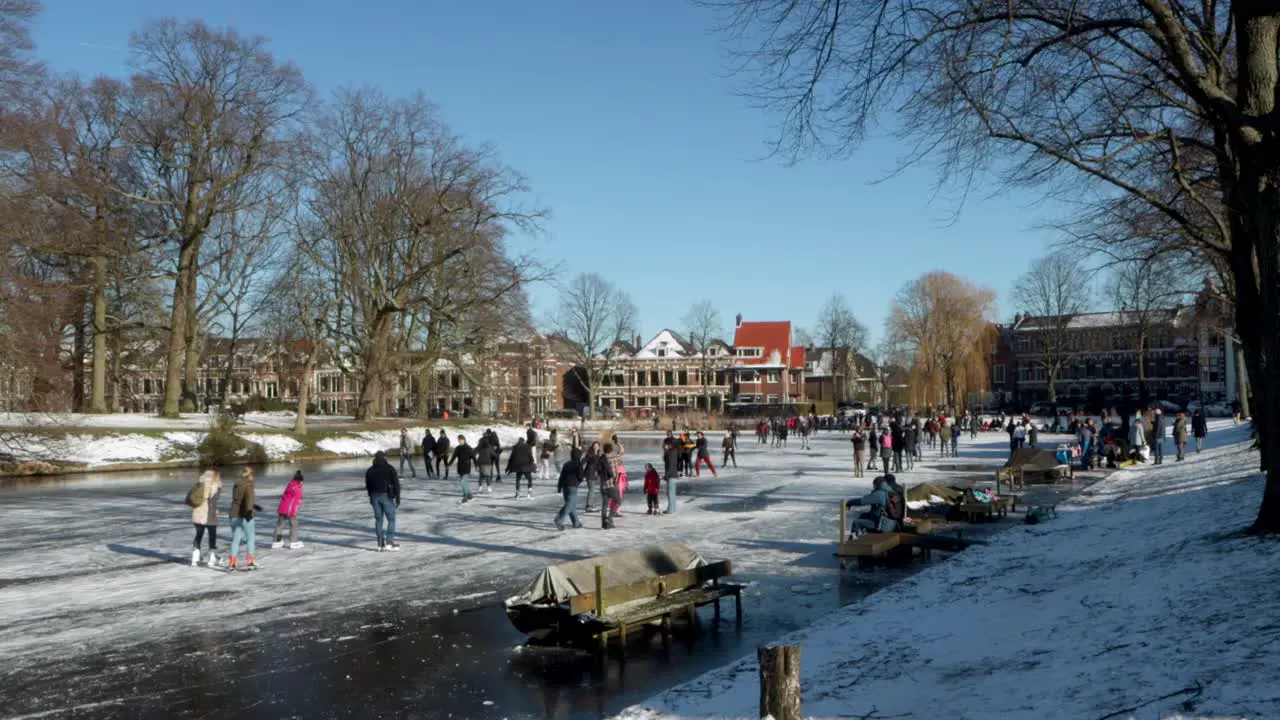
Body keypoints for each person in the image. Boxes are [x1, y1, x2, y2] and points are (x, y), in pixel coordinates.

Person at [228, 467, 263, 570]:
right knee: (250, 537)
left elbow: (239, 500)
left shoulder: (236, 484)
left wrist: (254, 505)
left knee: (236, 538)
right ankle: (250, 561)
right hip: (245, 514)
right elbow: (248, 500)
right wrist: (249, 511)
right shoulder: (249, 485)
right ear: (250, 475)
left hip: (234, 513)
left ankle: (232, 563)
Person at [365, 450, 401, 551]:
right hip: (386, 495)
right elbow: (396, 484)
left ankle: (380, 544)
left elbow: (368, 486)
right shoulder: (389, 468)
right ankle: (389, 542)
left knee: (379, 520)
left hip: (374, 496)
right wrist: (397, 497)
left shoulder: (370, 470)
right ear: (384, 458)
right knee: (391, 519)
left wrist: (371, 497)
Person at [188, 470, 223, 567]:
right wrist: (215, 511)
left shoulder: (199, 484)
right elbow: (212, 501)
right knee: (212, 536)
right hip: (209, 515)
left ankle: (195, 559)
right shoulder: (215, 486)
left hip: (197, 514)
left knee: (199, 535)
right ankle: (212, 558)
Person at [271, 470, 305, 549]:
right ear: (300, 481)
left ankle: (276, 541)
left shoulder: (290, 485)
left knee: (280, 525)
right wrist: (293, 511)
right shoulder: (297, 488)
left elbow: (289, 497)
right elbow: (295, 501)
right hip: (290, 510)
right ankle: (294, 542)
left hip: (282, 507)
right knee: (294, 525)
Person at [554, 448, 584, 530]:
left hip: (564, 486)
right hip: (572, 486)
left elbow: (562, 476)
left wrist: (559, 486)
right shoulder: (578, 464)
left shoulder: (566, 464)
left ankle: (576, 522)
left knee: (572, 505)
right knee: (570, 504)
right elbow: (581, 476)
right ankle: (559, 520)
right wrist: (579, 480)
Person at [597, 445, 620, 530]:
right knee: (618, 501)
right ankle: (609, 519)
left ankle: (603, 523)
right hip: (610, 485)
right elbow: (614, 473)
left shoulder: (601, 459)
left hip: (602, 485)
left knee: (605, 504)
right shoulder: (613, 459)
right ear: (611, 450)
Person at [450, 434, 476, 502]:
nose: (460, 441)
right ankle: (469, 494)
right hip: (460, 467)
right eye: (459, 440)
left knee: (463, 482)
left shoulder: (468, 448)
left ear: (464, 440)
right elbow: (453, 457)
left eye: (461, 440)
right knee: (465, 482)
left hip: (466, 467)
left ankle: (465, 495)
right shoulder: (458, 448)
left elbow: (473, 457)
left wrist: (477, 465)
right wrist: (449, 464)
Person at [662, 434, 680, 514]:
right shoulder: (674, 452)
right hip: (673, 474)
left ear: (669, 445)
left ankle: (671, 509)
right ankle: (672, 508)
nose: (663, 446)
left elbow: (670, 465)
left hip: (671, 474)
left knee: (670, 493)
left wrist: (667, 475)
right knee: (671, 492)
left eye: (665, 445)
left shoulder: (670, 453)